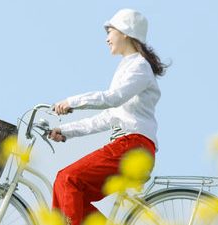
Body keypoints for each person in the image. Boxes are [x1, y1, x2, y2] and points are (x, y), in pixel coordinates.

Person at [47, 8, 168, 225]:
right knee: (63, 184)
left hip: (133, 146)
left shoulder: (139, 67)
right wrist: (65, 131)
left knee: (68, 179)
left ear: (125, 33)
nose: (106, 38)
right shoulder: (128, 67)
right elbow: (108, 116)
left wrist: (71, 102)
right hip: (128, 146)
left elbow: (113, 99)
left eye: (109, 31)